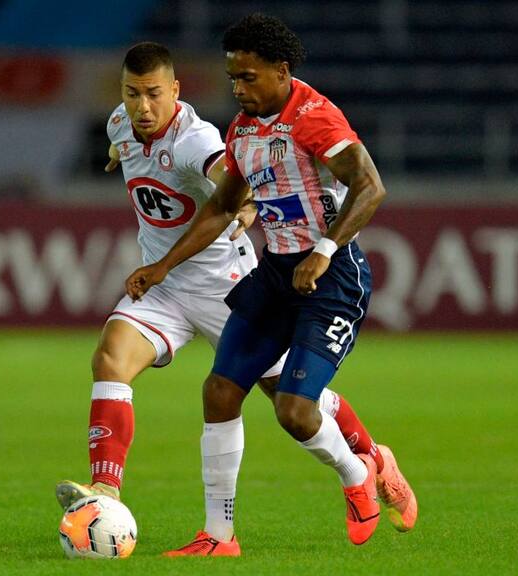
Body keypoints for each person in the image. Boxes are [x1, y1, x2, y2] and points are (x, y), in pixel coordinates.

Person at [55, 41, 391, 550]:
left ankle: (373, 461)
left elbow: (225, 180)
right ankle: (107, 487)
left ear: (175, 90)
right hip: (165, 288)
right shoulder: (120, 125)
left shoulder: (199, 139)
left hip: (224, 285)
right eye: (130, 94)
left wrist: (245, 207)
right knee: (110, 360)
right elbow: (123, 144)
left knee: (295, 401)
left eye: (152, 95)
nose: (141, 107)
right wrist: (116, 155)